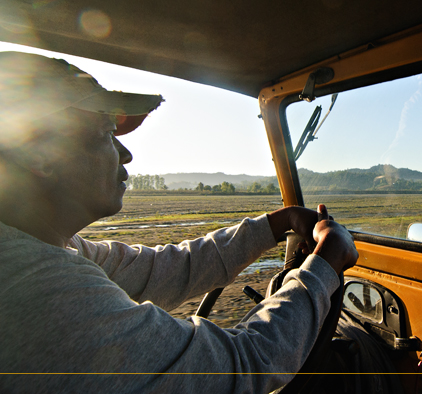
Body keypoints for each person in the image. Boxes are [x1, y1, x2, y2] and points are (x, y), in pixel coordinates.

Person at [0, 51, 359, 393]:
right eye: (105, 133)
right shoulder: (41, 288)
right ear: (41, 155)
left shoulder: (49, 247)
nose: (126, 152)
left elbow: (162, 269)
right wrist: (325, 265)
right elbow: (238, 367)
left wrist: (277, 222)